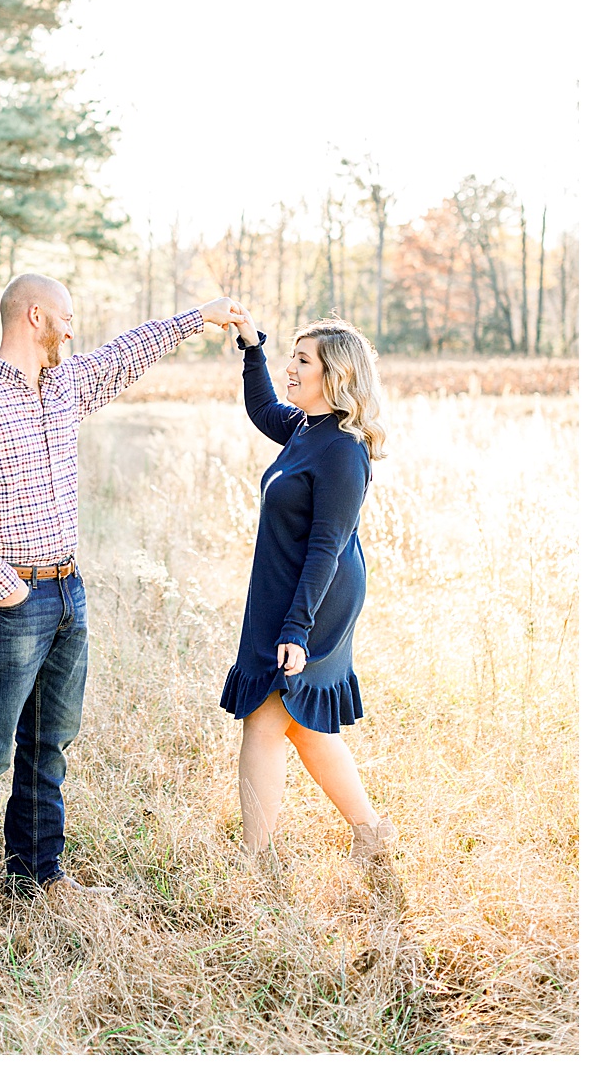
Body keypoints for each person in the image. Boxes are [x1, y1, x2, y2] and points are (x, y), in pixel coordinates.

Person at [0, 273, 238, 934]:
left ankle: (38, 874)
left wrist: (195, 319)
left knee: (50, 742)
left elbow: (123, 354)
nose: (72, 330)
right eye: (65, 318)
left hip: (68, 590)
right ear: (34, 317)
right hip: (9, 600)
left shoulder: (62, 387)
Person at [220, 305, 396, 873]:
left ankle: (255, 862)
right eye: (291, 358)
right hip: (286, 586)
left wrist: (296, 627)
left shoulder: (344, 451)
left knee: (268, 715)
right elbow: (262, 406)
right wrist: (252, 348)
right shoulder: (306, 428)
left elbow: (327, 547)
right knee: (298, 722)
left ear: (335, 376)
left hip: (314, 597)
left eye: (302, 361)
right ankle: (371, 833)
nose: (290, 369)